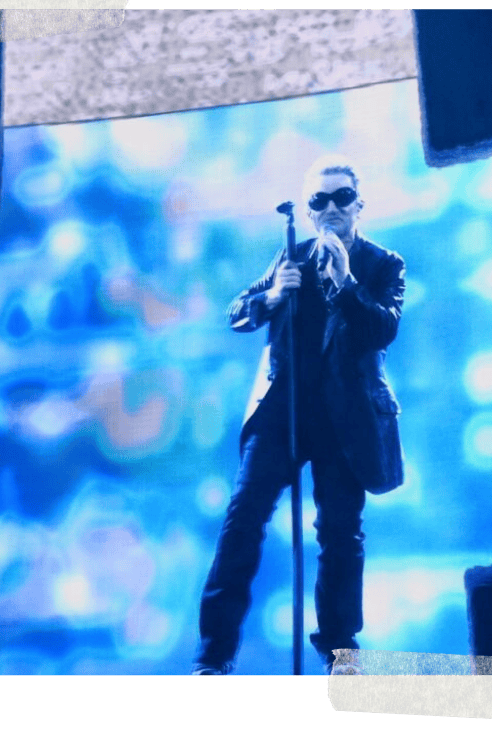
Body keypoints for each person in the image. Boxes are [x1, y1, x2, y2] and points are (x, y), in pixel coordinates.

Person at [192, 155, 406, 676]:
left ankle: (339, 653)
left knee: (340, 532)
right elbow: (236, 313)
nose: (332, 208)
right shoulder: (292, 255)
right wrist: (272, 295)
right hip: (282, 411)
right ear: (309, 211)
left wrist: (347, 282)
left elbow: (382, 329)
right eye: (319, 200)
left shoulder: (383, 264)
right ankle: (214, 656)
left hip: (345, 418)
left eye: (342, 197)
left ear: (359, 205)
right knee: (243, 518)